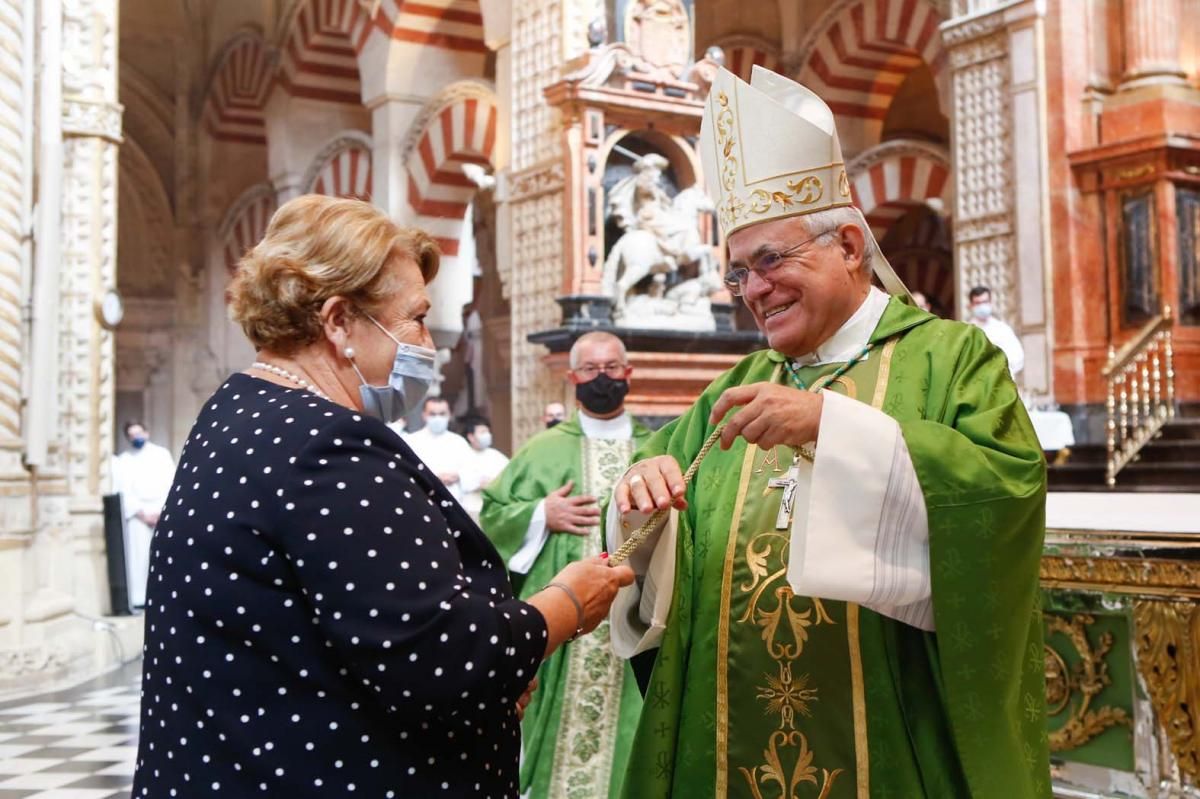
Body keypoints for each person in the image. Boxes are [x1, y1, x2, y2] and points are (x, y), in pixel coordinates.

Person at [605, 67, 1048, 799]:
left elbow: (1004, 498)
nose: (752, 290)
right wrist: (638, 496)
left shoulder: (952, 358)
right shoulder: (735, 383)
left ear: (849, 243)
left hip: (890, 749)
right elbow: (654, 486)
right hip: (726, 750)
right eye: (738, 273)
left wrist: (833, 429)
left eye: (770, 260)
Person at [132, 194, 633, 798]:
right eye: (416, 319)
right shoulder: (323, 445)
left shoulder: (237, 410)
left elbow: (347, 630)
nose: (430, 344)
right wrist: (566, 604)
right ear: (339, 321)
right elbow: (441, 656)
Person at [481, 331, 652, 799]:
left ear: (628, 374)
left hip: (632, 624)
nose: (603, 378)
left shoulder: (657, 449)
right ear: (573, 377)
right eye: (592, 370)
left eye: (612, 368)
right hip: (564, 628)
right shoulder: (542, 450)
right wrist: (539, 514)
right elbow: (489, 521)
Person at [111, 421, 176, 610]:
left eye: (139, 433)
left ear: (146, 433)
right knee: (138, 560)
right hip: (138, 515)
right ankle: (139, 599)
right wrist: (141, 514)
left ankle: (163, 597)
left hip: (160, 512)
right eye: (132, 435)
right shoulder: (124, 460)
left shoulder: (161, 455)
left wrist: (161, 512)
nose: (137, 437)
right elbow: (123, 490)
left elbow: (171, 483)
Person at [402, 396, 479, 503]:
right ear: (424, 415)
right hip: (422, 500)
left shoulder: (459, 442)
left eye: (442, 414)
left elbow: (474, 472)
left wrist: (458, 476)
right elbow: (405, 471)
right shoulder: (411, 441)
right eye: (432, 414)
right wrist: (433, 478)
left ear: (449, 415)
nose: (437, 418)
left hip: (455, 501)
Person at [967, 284, 1025, 378]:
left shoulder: (1002, 329)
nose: (982, 306)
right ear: (971, 305)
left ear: (990, 303)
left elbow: (1017, 357)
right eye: (978, 303)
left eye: (985, 302)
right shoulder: (967, 331)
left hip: (1002, 381)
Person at [460, 414, 509, 521]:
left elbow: (509, 475)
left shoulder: (496, 455)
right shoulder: (463, 455)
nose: (487, 435)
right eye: (482, 432)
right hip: (471, 508)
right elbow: (465, 482)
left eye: (488, 432)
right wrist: (479, 483)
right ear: (471, 437)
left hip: (493, 509)